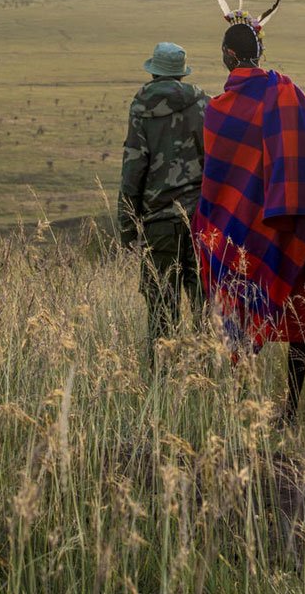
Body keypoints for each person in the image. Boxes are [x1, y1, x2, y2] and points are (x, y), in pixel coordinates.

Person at [190, 0, 305, 424]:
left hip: (237, 231)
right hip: (286, 229)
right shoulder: (290, 93)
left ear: (229, 57)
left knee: (237, 313)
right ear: (258, 52)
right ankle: (289, 409)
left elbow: (216, 181)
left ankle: (244, 405)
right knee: (295, 318)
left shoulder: (217, 111)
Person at [119, 41, 209, 370]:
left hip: (158, 223)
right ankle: (207, 379)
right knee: (204, 305)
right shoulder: (203, 104)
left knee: (160, 307)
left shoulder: (140, 108)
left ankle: (162, 383)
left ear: (154, 71)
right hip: (201, 219)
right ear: (181, 73)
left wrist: (127, 226)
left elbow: (134, 167)